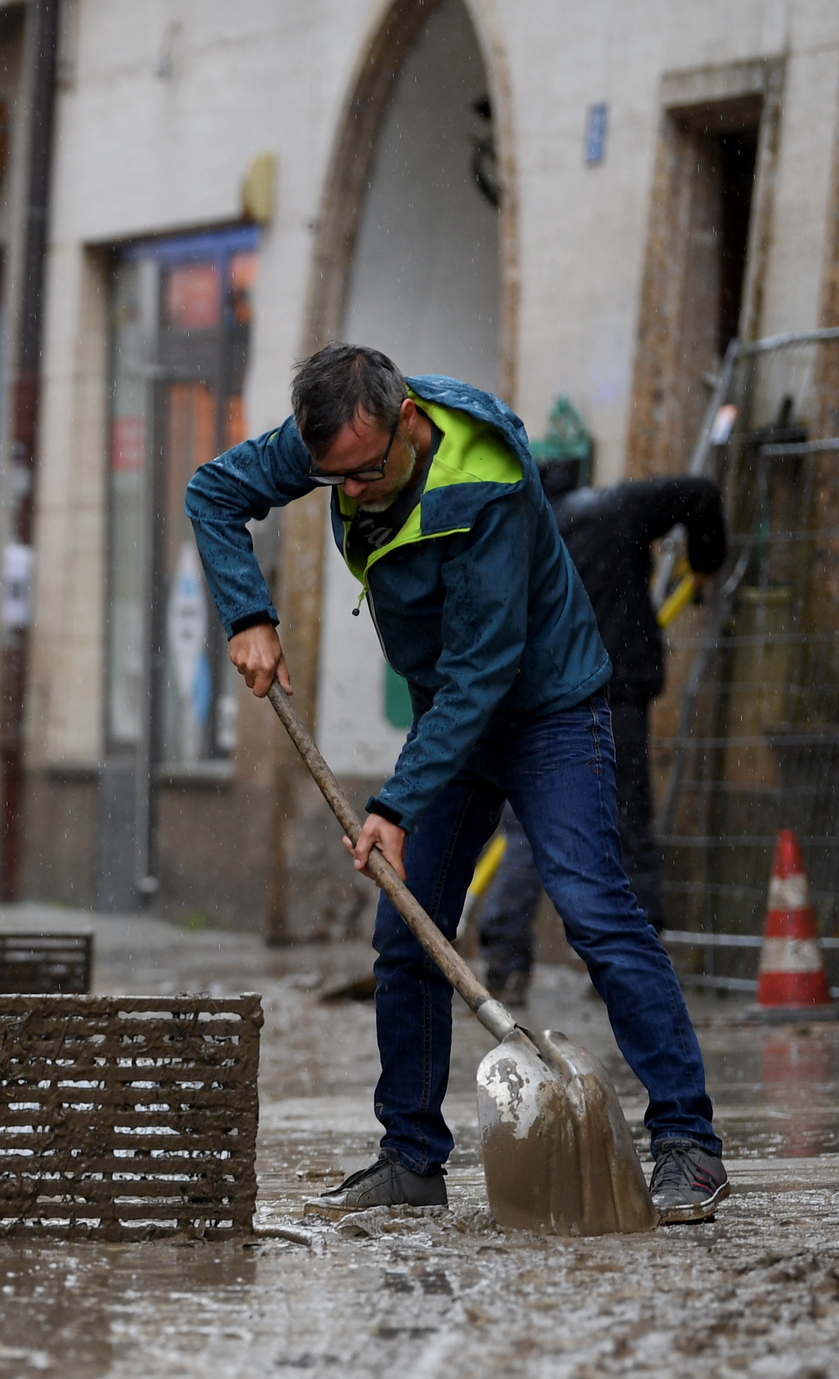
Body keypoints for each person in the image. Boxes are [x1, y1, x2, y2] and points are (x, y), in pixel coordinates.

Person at [189, 344, 728, 1224]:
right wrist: (248, 612)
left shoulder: (488, 487)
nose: (353, 495)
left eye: (365, 475)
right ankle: (410, 1160)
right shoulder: (335, 442)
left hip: (547, 708)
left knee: (595, 908)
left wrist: (396, 804)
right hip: (453, 711)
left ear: (406, 421)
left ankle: (688, 1142)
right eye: (334, 483)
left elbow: (485, 670)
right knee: (407, 934)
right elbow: (212, 493)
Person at [475, 469, 728, 1001]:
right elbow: (701, 494)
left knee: (526, 830)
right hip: (611, 694)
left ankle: (505, 960)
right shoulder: (616, 506)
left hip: (538, 699)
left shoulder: (519, 535)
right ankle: (630, 961)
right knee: (622, 820)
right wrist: (705, 565)